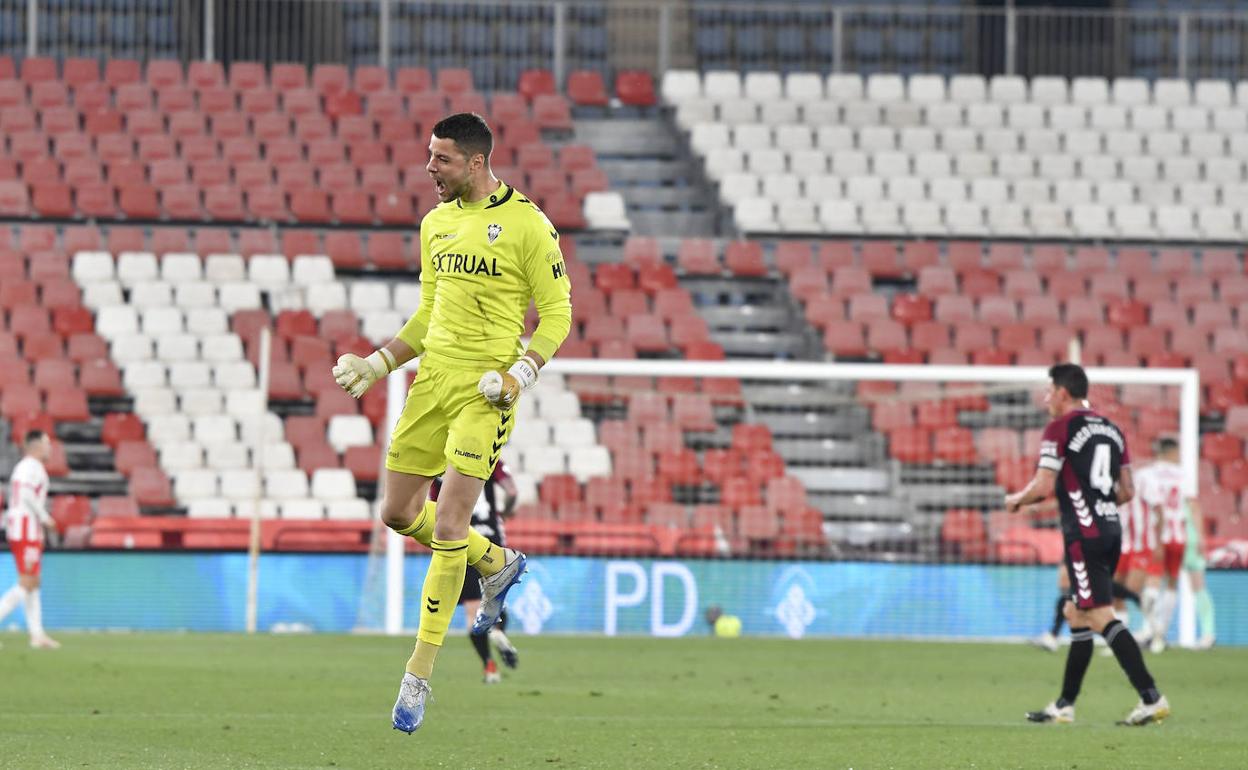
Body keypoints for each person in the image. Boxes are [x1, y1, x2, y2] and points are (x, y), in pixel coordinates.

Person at [331, 112, 571, 734]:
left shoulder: (528, 224)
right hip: (431, 381)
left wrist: (519, 374)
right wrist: (379, 362)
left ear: (475, 162)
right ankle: (494, 561)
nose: (428, 168)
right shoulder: (434, 224)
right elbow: (428, 315)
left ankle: (418, 675)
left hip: (486, 393)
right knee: (394, 511)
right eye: (429, 156)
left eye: (439, 158)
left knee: (446, 523)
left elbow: (557, 316)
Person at [1006, 364, 1169, 726]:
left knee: (1097, 614)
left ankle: (1151, 697)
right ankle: (1064, 705)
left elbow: (1044, 485)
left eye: (1050, 391)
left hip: (1084, 534)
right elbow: (1127, 491)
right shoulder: (1113, 429)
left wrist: (1017, 499)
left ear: (1063, 392)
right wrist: (1099, 504)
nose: (1047, 398)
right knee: (1075, 612)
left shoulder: (1059, 428)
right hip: (1111, 530)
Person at [429, 461, 521, 683]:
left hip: (460, 538)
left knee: (473, 612)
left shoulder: (439, 466)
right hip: (491, 538)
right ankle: (498, 631)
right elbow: (512, 491)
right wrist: (506, 511)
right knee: (496, 597)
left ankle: (489, 666)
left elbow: (433, 509)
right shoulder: (488, 455)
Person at [0, 430, 61, 649]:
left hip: (28, 529)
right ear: (35, 446)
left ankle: (37, 635)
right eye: (47, 444)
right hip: (25, 528)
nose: (50, 448)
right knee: (28, 582)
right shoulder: (29, 467)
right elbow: (26, 496)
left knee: (34, 583)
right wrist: (45, 518)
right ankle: (36, 634)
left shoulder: (30, 467)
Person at [1136, 438, 1189, 653]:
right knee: (1172, 582)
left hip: (1156, 536)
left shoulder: (1145, 475)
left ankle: (1150, 630)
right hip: (1179, 535)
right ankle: (1161, 633)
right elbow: (1191, 504)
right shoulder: (1183, 475)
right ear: (1171, 452)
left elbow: (1144, 506)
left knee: (1152, 581)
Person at [1182, 498, 1216, 649]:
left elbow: (1195, 509)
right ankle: (1154, 632)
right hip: (1175, 541)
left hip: (1188, 542)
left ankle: (1208, 634)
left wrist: (1200, 539)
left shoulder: (1185, 494)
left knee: (1198, 587)